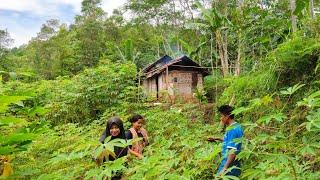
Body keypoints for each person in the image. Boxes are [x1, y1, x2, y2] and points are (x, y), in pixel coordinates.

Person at [207, 105, 244, 177]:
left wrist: (224, 168)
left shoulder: (232, 130)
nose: (221, 119)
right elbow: (231, 141)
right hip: (234, 165)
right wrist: (216, 138)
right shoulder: (237, 126)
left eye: (221, 116)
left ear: (227, 116)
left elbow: (232, 150)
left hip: (228, 165)